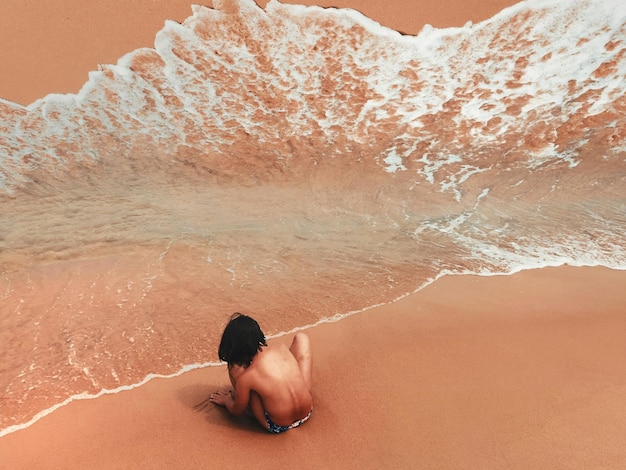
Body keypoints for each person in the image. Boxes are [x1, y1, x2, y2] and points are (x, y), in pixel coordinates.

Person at [206, 313, 313, 433]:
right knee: (301, 338)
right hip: (307, 412)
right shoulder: (281, 348)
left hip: (277, 425)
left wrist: (226, 401)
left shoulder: (247, 377)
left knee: (239, 371)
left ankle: (248, 401)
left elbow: (237, 411)